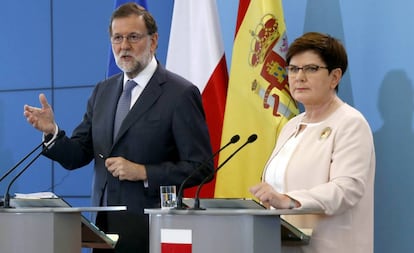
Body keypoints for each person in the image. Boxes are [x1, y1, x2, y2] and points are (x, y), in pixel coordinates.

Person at [23, 3, 213, 253]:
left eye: (133, 37)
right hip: (103, 231)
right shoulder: (103, 91)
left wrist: (144, 171)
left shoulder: (179, 94)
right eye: (117, 38)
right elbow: (79, 153)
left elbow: (201, 167)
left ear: (153, 41)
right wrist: (52, 132)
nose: (124, 46)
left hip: (153, 230)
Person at [249, 32, 375, 253]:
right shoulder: (292, 126)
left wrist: (288, 200)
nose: (299, 77)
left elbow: (345, 190)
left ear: (335, 77)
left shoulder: (350, 123)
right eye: (293, 69)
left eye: (311, 69)